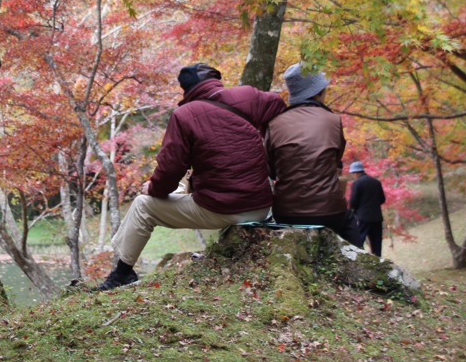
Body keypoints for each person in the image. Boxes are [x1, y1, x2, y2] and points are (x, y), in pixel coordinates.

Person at [96, 62, 286, 290]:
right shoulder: (247, 95)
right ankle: (122, 272)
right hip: (261, 205)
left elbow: (169, 171)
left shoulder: (184, 115)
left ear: (186, 90)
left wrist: (152, 189)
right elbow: (278, 105)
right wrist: (268, 153)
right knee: (182, 190)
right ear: (215, 79)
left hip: (223, 210)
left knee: (142, 205)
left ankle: (122, 274)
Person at [265, 63, 363, 246]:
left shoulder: (274, 123)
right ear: (318, 92)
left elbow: (271, 171)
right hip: (329, 211)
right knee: (350, 224)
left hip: (286, 213)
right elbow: (335, 163)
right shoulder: (332, 120)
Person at [348, 161, 386, 256]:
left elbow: (352, 202)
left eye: (352, 173)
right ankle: (378, 260)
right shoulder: (376, 182)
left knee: (359, 240)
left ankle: (360, 259)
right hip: (377, 217)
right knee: (376, 242)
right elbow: (382, 199)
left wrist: (353, 211)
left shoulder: (357, 183)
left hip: (362, 217)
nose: (352, 175)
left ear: (356, 172)